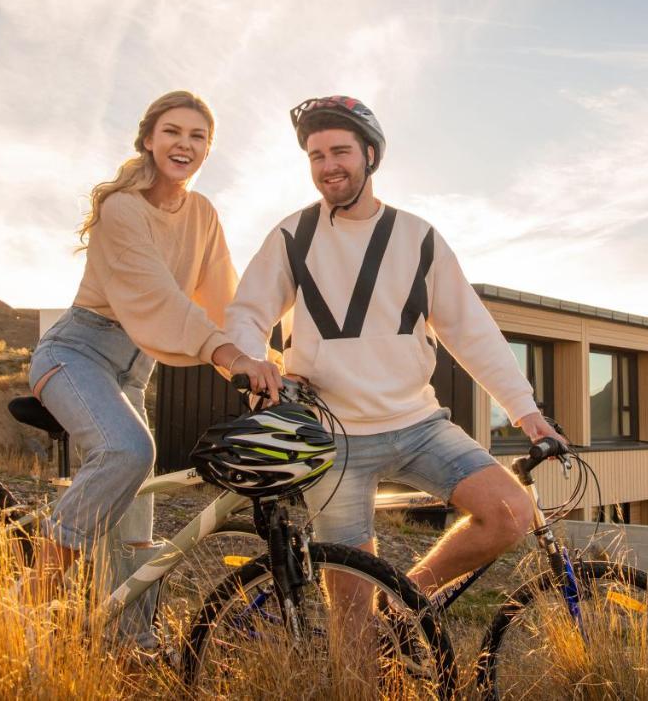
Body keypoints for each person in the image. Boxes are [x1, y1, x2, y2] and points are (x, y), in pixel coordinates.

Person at [217, 95, 563, 604]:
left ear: (370, 156)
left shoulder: (418, 237)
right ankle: (371, 629)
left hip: (417, 425)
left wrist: (524, 409)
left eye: (340, 151)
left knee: (510, 512)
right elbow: (246, 312)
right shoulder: (293, 235)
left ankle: (404, 599)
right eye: (317, 156)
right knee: (352, 628)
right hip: (331, 437)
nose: (328, 166)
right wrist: (253, 366)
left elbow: (471, 329)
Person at [26, 91, 239, 637]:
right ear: (149, 138)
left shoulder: (203, 214)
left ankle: (133, 649)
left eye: (198, 137)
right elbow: (160, 301)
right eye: (173, 131)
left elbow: (224, 302)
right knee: (129, 450)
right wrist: (226, 356)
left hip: (134, 372)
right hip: (76, 352)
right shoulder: (123, 209)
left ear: (207, 150)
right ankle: (26, 601)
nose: (184, 144)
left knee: (135, 524)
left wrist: (266, 361)